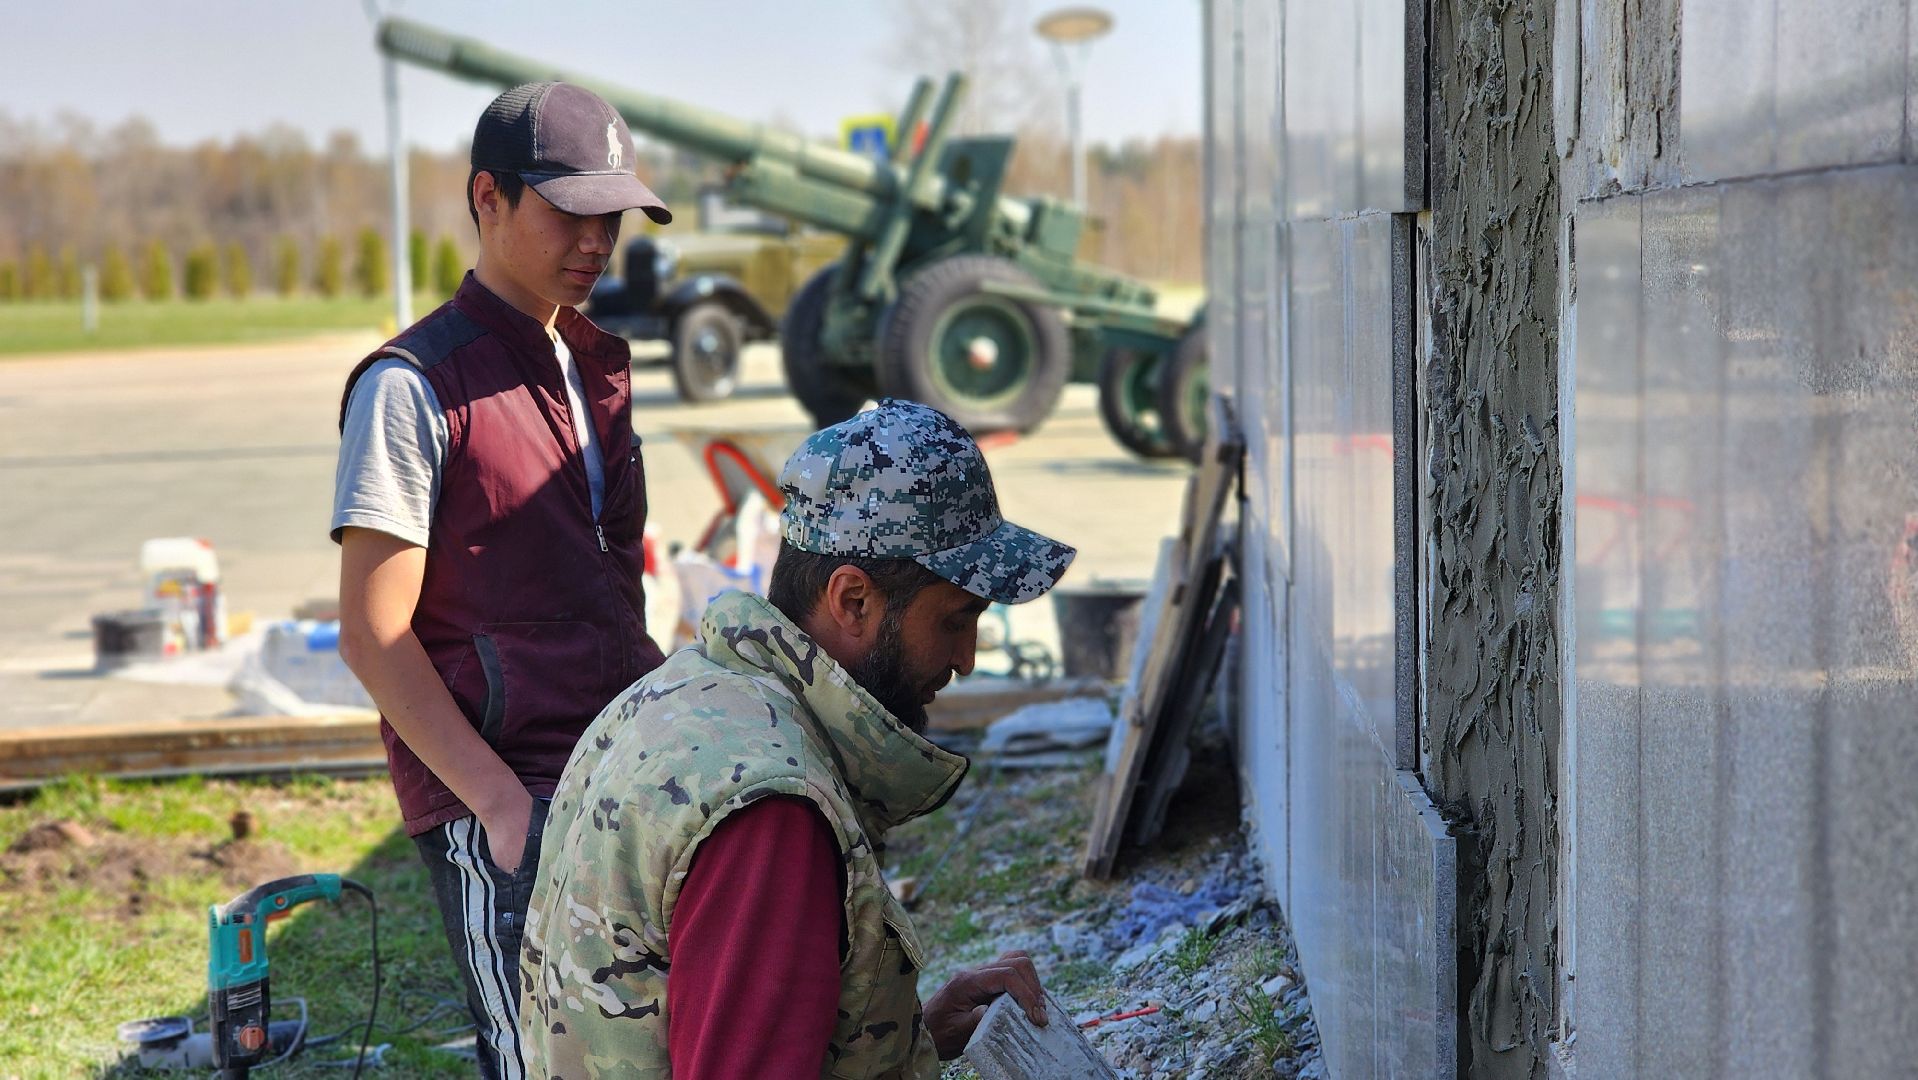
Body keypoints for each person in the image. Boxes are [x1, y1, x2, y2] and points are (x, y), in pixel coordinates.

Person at [518, 399, 1078, 1078]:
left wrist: (903, 1041)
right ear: (853, 600)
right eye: (955, 621)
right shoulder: (774, 808)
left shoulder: (676, 696)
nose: (966, 658)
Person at [331, 80, 673, 1080]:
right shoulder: (411, 386)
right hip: (509, 798)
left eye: (612, 217)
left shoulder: (593, 363)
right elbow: (371, 632)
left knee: (643, 1052)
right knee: (538, 1058)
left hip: (618, 778)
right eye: (570, 212)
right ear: (489, 197)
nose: (597, 241)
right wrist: (496, 804)